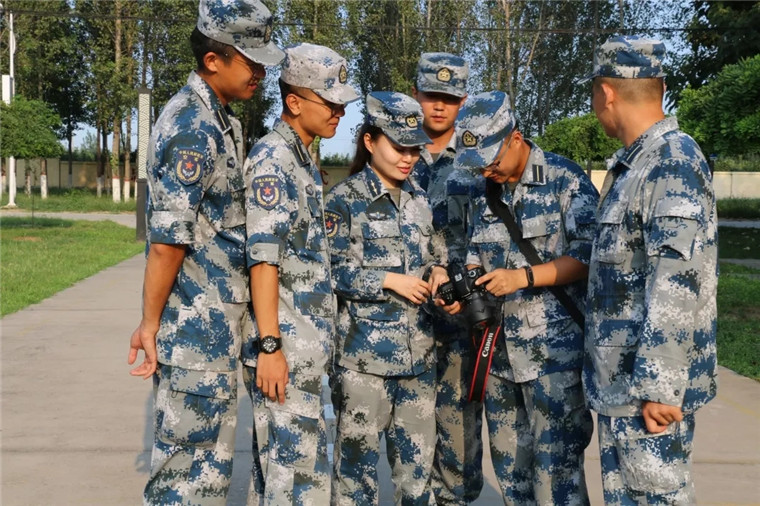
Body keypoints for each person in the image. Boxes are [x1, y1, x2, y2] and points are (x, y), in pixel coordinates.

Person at [126, 0, 284, 504]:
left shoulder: (219, 118)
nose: (261, 72)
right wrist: (149, 325)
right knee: (187, 480)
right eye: (250, 59)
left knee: (209, 471)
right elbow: (168, 243)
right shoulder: (193, 127)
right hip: (197, 328)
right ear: (213, 60)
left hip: (216, 325)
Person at [581, 35, 718, 504]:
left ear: (607, 92)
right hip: (622, 386)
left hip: (647, 396)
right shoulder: (637, 164)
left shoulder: (670, 162)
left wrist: (660, 387)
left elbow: (679, 277)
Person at [453, 91, 597, 505]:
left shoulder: (564, 179)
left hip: (555, 360)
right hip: (497, 358)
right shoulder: (482, 193)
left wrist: (524, 277)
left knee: (557, 479)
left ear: (515, 137)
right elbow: (474, 256)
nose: (487, 169)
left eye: (492, 159)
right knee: (513, 477)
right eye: (480, 163)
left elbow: (589, 255)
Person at [242, 42, 359, 504]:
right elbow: (263, 259)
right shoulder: (274, 161)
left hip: (306, 350)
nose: (338, 112)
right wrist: (270, 345)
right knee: (294, 483)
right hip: (285, 351)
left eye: (341, 103)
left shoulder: (303, 160)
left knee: (296, 476)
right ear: (294, 101)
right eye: (328, 102)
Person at [325, 91, 448, 505]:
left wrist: (438, 273)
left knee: (417, 480)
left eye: (414, 148)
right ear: (369, 141)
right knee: (355, 482)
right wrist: (389, 280)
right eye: (398, 146)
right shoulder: (342, 202)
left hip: (419, 362)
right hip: (364, 365)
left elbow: (434, 255)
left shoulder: (419, 200)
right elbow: (330, 272)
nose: (407, 157)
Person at [410, 52, 485, 505]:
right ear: (416, 94)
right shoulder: (395, 152)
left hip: (462, 328)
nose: (439, 107)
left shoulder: (477, 162)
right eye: (431, 96)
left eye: (450, 98)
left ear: (463, 101)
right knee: (412, 446)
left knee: (459, 445)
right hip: (408, 323)